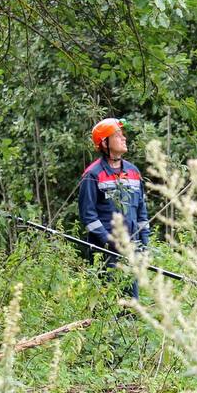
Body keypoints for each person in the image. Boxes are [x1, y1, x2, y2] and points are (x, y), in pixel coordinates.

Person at [78, 117, 150, 297]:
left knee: (131, 306)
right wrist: (109, 241)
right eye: (117, 135)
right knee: (107, 304)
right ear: (104, 143)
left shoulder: (133, 172)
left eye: (122, 135)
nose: (124, 138)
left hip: (132, 249)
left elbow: (142, 212)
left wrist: (144, 245)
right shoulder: (93, 175)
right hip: (104, 253)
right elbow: (88, 216)